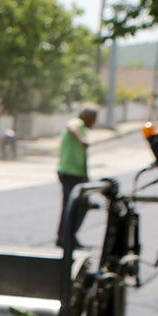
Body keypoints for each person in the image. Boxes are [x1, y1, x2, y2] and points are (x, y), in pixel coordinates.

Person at [56, 105, 98, 249]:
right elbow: (71, 126)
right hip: (69, 173)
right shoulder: (77, 124)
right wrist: (81, 139)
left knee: (72, 205)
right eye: (93, 118)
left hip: (76, 174)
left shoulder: (83, 129)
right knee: (77, 205)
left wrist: (86, 176)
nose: (94, 122)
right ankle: (66, 237)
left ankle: (65, 236)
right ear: (87, 117)